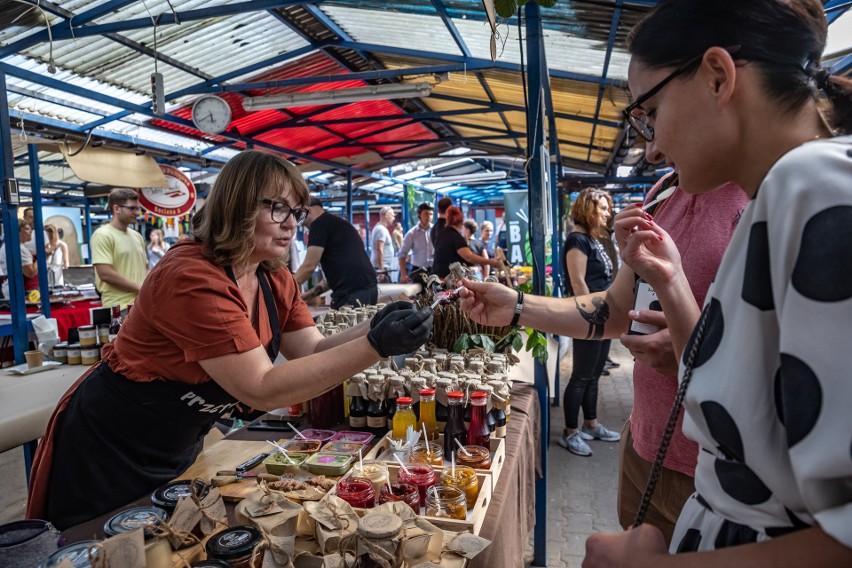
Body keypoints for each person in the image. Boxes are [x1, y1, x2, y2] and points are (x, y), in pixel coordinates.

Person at [26, 150, 433, 530]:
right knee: (104, 546)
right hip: (110, 448)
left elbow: (310, 350)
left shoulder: (272, 276)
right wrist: (376, 346)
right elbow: (260, 388)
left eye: (296, 211)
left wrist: (375, 326)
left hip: (176, 441)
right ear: (237, 207)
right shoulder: (192, 276)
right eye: (277, 208)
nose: (292, 223)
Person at [581, 0, 852, 564]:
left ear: (717, 76)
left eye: (650, 110)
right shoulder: (779, 199)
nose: (651, 144)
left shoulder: (812, 187)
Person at [558, 188, 620, 457]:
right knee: (581, 376)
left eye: (608, 208)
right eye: (603, 209)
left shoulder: (595, 238)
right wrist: (592, 320)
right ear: (588, 209)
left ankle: (591, 424)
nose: (608, 214)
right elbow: (578, 282)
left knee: (593, 374)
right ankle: (570, 433)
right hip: (589, 319)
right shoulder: (577, 240)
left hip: (603, 318)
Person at [293, 199, 378, 309]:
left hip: (352, 295)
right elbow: (336, 275)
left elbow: (308, 267)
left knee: (342, 325)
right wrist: (309, 294)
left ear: (305, 209)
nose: (304, 226)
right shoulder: (336, 223)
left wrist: (282, 289)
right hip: (368, 290)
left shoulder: (318, 224)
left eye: (301, 221)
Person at [90, 188, 148, 308]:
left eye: (137, 208)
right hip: (119, 307)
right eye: (132, 208)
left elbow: (145, 269)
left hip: (142, 304)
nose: (137, 212)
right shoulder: (103, 235)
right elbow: (105, 273)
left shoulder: (137, 236)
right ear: (117, 209)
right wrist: (140, 288)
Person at [431, 206, 503, 278]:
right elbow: (469, 257)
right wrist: (491, 262)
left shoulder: (442, 234)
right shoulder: (456, 237)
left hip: (438, 275)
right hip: (448, 277)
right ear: (461, 221)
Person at [398, 201, 434, 284]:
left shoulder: (435, 231)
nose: (429, 217)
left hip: (433, 271)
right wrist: (403, 275)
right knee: (418, 296)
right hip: (418, 271)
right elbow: (402, 255)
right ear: (419, 215)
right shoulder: (412, 234)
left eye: (431, 214)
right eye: (426, 214)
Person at [0, 221, 38, 299]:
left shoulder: (7, 246)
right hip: (20, 289)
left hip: (10, 287)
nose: (31, 231)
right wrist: (41, 258)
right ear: (17, 231)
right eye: (27, 229)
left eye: (31, 229)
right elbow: (30, 273)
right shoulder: (20, 249)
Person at [371, 206, 396, 282]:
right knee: (386, 293)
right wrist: (381, 270)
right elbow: (379, 249)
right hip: (382, 269)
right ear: (386, 215)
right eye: (392, 215)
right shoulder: (381, 229)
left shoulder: (380, 228)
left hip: (382, 267)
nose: (394, 218)